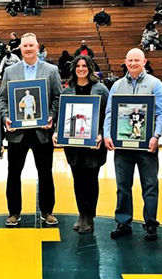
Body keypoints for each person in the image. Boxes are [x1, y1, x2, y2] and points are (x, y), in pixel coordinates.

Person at [103, 48, 162, 241]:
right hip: (122, 147)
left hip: (147, 146)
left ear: (145, 61)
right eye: (130, 60)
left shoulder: (155, 85)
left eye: (137, 60)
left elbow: (161, 113)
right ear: (125, 61)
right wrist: (107, 134)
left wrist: (156, 136)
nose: (133, 63)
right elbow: (109, 113)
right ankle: (123, 223)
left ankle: (151, 224)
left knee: (150, 185)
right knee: (123, 185)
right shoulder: (116, 86)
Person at [0, 33, 62, 226]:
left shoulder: (51, 70)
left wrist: (51, 116)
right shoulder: (10, 71)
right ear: (20, 48)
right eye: (24, 46)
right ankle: (14, 212)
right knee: (13, 173)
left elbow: (58, 98)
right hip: (17, 133)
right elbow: (2, 98)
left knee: (45, 172)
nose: (28, 49)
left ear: (37, 47)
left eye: (31, 45)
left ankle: (47, 211)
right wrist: (6, 117)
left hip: (42, 132)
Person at [52, 55, 109, 233]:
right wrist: (56, 132)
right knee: (78, 179)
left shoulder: (100, 89)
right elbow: (61, 117)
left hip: (94, 145)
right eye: (78, 66)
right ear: (74, 69)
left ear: (90, 68)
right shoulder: (67, 91)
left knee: (91, 180)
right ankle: (81, 214)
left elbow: (108, 116)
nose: (81, 69)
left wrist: (100, 134)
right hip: (73, 144)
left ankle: (89, 216)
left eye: (84, 66)